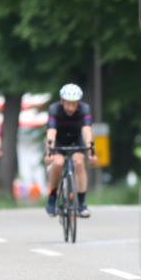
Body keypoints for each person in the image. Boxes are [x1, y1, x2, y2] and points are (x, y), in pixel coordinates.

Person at [45, 84, 96, 218]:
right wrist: (49, 152)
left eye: (74, 104)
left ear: (78, 103)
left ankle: (82, 204)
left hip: (76, 140)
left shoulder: (84, 109)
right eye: (68, 104)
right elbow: (51, 132)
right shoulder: (54, 109)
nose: (71, 108)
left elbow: (87, 130)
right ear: (62, 101)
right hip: (59, 141)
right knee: (58, 163)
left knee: (79, 162)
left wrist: (91, 149)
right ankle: (52, 196)